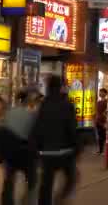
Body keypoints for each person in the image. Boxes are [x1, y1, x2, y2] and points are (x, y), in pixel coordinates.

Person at [33, 75, 79, 205]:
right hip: (64, 152)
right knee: (71, 178)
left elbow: (37, 128)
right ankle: (60, 199)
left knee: (46, 183)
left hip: (46, 152)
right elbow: (71, 129)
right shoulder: (67, 105)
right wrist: (76, 148)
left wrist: (37, 148)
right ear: (60, 88)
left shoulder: (43, 105)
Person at [0, 89, 38, 205]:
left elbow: (1, 131)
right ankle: (26, 202)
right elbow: (34, 134)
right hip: (26, 153)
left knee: (9, 182)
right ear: (28, 100)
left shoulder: (9, 113)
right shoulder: (31, 115)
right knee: (32, 181)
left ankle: (7, 202)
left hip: (10, 153)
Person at [95, 88, 108, 155]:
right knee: (100, 136)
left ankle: (103, 150)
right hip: (98, 121)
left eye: (101, 92)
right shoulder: (99, 102)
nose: (100, 93)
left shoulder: (106, 102)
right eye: (100, 92)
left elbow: (107, 111)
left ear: (105, 93)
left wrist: (105, 121)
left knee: (103, 136)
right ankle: (100, 150)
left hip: (103, 121)